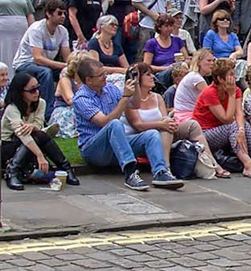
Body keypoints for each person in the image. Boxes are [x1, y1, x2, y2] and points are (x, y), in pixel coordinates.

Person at [70, 54, 177, 191]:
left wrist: (135, 84)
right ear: (88, 80)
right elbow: (104, 122)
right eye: (101, 75)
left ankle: (161, 172)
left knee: (151, 134)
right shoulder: (81, 98)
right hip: (94, 149)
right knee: (115, 124)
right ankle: (130, 173)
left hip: (116, 144)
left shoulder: (110, 88)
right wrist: (125, 97)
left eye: (105, 73)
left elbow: (135, 105)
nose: (105, 77)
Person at [0, 69, 75, 190]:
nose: (37, 92)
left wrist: (33, 127)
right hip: (8, 146)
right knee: (36, 135)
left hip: (29, 145)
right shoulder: (12, 108)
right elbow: (21, 134)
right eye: (32, 90)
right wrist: (40, 155)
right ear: (21, 92)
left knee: (38, 134)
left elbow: (39, 124)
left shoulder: (40, 103)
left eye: (37, 88)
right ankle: (12, 172)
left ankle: (65, 168)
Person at [126, 63, 201, 181]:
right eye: (148, 75)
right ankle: (165, 169)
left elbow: (165, 119)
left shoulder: (158, 97)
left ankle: (211, 163)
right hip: (143, 136)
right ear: (137, 78)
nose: (153, 77)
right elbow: (137, 125)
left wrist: (170, 123)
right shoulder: (130, 99)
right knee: (165, 128)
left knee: (192, 125)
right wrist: (161, 124)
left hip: (163, 133)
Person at [193, 57, 251, 178]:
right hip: (205, 134)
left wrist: (241, 130)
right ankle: (248, 165)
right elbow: (226, 118)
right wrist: (231, 95)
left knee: (243, 125)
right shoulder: (209, 92)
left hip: (224, 131)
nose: (235, 78)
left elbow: (239, 113)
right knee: (233, 126)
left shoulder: (236, 90)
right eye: (231, 75)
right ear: (220, 79)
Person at [141, 12, 189, 88]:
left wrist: (183, 62)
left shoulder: (177, 40)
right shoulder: (151, 43)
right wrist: (167, 68)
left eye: (171, 26)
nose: (169, 29)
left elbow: (187, 59)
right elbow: (146, 66)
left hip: (179, 70)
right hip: (161, 74)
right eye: (166, 26)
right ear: (159, 27)